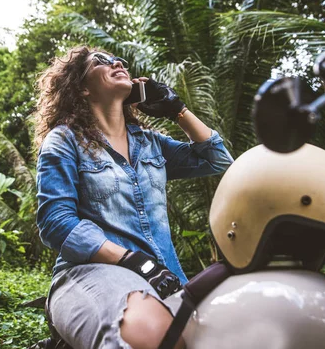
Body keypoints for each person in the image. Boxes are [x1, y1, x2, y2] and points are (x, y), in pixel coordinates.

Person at [35, 46, 234, 349]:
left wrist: (177, 109)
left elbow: (217, 160)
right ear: (83, 88)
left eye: (120, 61)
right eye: (102, 61)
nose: (117, 63)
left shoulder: (151, 143)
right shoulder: (65, 140)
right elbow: (56, 223)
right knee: (151, 335)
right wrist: (133, 260)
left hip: (162, 277)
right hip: (93, 273)